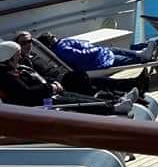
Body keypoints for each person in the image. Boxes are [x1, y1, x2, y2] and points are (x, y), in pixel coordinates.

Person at [0, 41, 137, 114]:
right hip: (40, 104)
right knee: (77, 103)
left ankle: (116, 101)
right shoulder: (6, 76)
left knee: (77, 96)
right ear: (9, 57)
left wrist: (51, 84)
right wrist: (51, 88)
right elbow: (26, 92)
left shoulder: (16, 69)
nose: (19, 57)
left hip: (46, 95)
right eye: (17, 55)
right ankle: (113, 109)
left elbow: (36, 81)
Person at [15, 31, 149, 97]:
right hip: (58, 82)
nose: (28, 45)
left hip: (64, 76)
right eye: (24, 43)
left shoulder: (33, 56)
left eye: (30, 41)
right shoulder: (22, 63)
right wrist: (53, 85)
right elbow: (36, 80)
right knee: (92, 82)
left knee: (98, 81)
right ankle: (130, 87)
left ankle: (133, 84)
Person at [38, 33, 156, 73]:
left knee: (115, 49)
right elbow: (81, 55)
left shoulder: (61, 45)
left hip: (97, 55)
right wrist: (97, 49)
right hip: (95, 61)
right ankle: (142, 58)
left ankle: (140, 53)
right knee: (118, 58)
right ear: (49, 42)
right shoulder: (62, 49)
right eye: (50, 36)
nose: (53, 35)